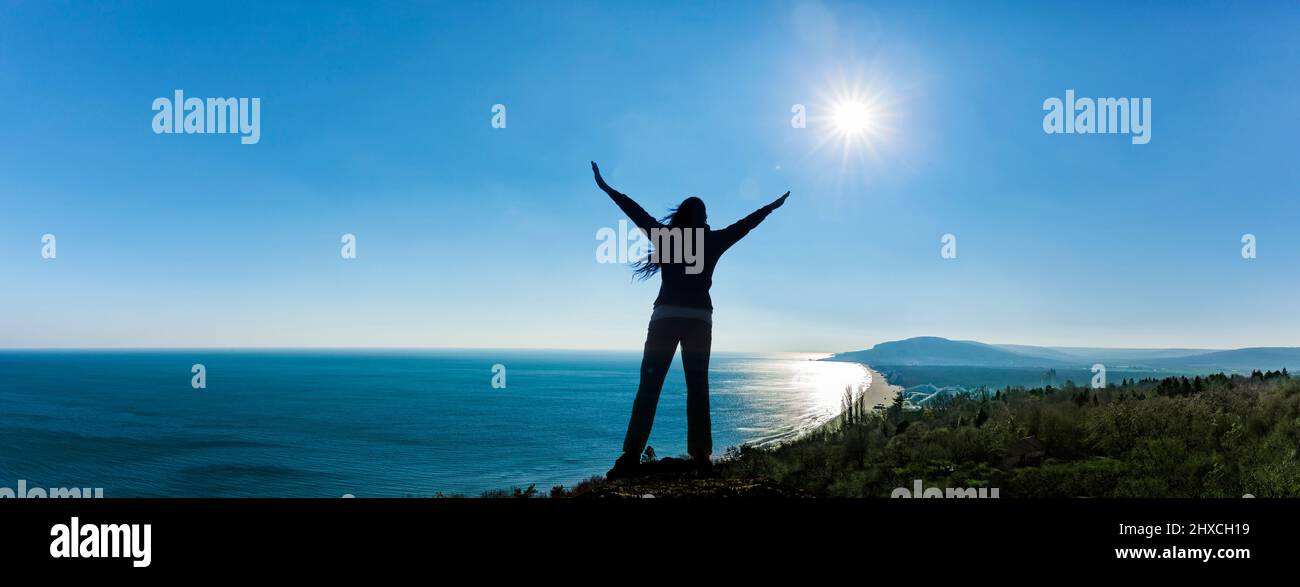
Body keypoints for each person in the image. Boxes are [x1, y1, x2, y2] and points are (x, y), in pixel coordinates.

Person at [591, 161, 789, 479]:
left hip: (665, 318)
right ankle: (701, 457)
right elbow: (746, 225)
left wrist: (607, 188)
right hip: (699, 321)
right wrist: (772, 206)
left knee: (649, 386)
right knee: (697, 388)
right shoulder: (712, 241)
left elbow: (635, 212)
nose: (707, 221)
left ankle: (631, 455)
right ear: (700, 218)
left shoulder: (666, 237)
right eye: (706, 216)